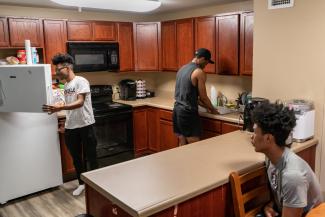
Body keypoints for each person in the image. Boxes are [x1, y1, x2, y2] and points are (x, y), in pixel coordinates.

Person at [251, 102, 323, 217]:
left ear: (268, 138)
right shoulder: (271, 158)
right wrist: (269, 206)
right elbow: (282, 194)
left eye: (255, 132)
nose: (252, 136)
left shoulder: (292, 176)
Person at [43, 53, 98, 196]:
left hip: (86, 124)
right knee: (76, 158)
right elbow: (67, 102)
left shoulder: (81, 81)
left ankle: (97, 186)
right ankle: (82, 184)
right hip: (71, 126)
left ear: (67, 68)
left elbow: (80, 102)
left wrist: (61, 108)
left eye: (58, 69)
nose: (56, 72)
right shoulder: (66, 85)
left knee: (91, 156)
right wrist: (60, 105)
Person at [173, 48, 218, 146]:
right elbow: (203, 97)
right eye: (206, 61)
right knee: (194, 146)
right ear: (201, 58)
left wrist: (207, 107)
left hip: (177, 110)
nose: (206, 65)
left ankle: (182, 162)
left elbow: (191, 96)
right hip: (187, 113)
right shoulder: (199, 72)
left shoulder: (182, 69)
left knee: (182, 141)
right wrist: (213, 109)